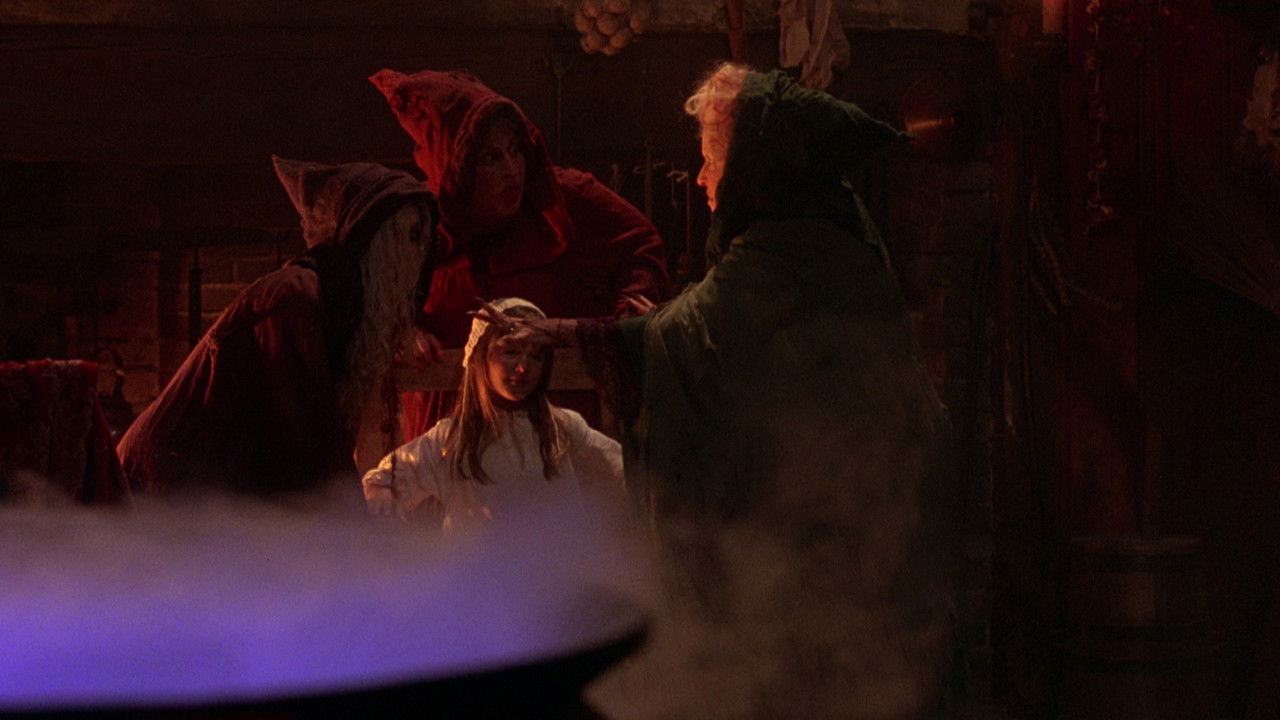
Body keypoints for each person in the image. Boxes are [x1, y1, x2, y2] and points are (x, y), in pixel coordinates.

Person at [479, 64, 957, 718]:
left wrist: (566, 331)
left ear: (753, 168)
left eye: (711, 160)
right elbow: (697, 327)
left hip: (842, 524)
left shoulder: (785, 250)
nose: (702, 178)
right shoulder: (824, 229)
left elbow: (692, 331)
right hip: (849, 512)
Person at [369, 68, 669, 438]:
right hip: (454, 442)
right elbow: (374, 305)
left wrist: (627, 317)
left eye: (515, 151)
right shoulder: (419, 229)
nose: (512, 171)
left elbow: (639, 242)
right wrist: (403, 330)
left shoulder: (560, 200)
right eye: (490, 159)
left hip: (560, 439)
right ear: (457, 169)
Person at [117, 157, 438, 496]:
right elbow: (309, 449)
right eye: (410, 235)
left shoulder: (338, 310)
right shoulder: (292, 298)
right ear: (371, 239)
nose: (418, 255)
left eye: (422, 239)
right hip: (160, 492)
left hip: (206, 491)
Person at [361, 297, 623, 535]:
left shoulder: (564, 429)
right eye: (510, 351)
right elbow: (382, 482)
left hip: (556, 568)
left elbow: (623, 471)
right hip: (483, 570)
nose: (523, 367)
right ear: (481, 356)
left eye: (535, 356)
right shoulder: (452, 439)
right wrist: (383, 500)